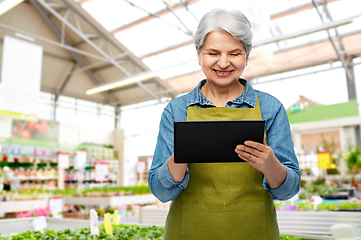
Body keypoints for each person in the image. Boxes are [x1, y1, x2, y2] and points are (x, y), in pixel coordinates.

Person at [148, 8, 300, 240]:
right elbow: (160, 193)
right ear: (198, 53)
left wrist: (270, 164)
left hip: (254, 231)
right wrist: (179, 158)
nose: (223, 62)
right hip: (188, 232)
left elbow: (289, 191)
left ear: (247, 56)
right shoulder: (175, 111)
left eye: (235, 53)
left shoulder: (271, 109)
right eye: (213, 53)